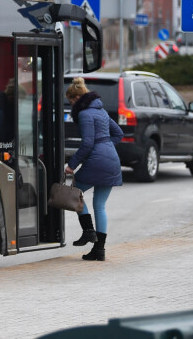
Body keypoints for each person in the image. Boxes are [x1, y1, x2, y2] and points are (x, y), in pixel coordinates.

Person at [65, 76, 124, 261]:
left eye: (70, 101)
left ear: (76, 99)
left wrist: (71, 165)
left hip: (97, 161)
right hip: (111, 160)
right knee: (100, 205)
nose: (71, 105)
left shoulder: (83, 114)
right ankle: (99, 250)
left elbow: (88, 143)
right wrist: (105, 146)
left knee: (74, 194)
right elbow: (119, 134)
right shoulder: (102, 111)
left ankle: (88, 231)